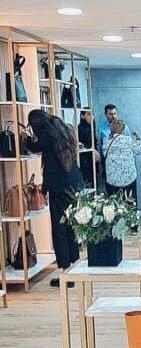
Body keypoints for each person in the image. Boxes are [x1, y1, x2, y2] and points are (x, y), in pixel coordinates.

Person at [27, 110, 83, 287]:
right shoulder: (60, 128)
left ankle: (66, 274)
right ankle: (74, 269)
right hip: (73, 185)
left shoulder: (46, 135)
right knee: (70, 228)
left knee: (59, 230)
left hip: (59, 189)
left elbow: (35, 148)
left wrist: (25, 139)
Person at [102, 119, 141, 201]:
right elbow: (138, 150)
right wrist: (138, 138)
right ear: (123, 130)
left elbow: (104, 153)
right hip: (128, 179)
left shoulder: (106, 142)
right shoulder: (127, 140)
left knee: (114, 204)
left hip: (112, 181)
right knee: (130, 203)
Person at [78, 110, 98, 187]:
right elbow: (81, 144)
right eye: (89, 114)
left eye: (92, 114)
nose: (92, 117)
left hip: (93, 159)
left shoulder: (92, 127)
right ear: (82, 116)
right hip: (85, 160)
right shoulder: (80, 129)